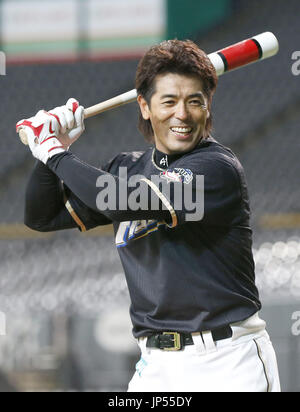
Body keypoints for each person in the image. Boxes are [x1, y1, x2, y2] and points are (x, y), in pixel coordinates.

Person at [17, 39, 281, 392]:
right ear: (144, 106)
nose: (182, 114)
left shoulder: (215, 168)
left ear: (208, 106)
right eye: (169, 101)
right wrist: (53, 152)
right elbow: (42, 217)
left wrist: (53, 153)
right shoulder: (125, 168)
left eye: (195, 101)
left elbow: (121, 201)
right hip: (156, 366)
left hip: (227, 361)